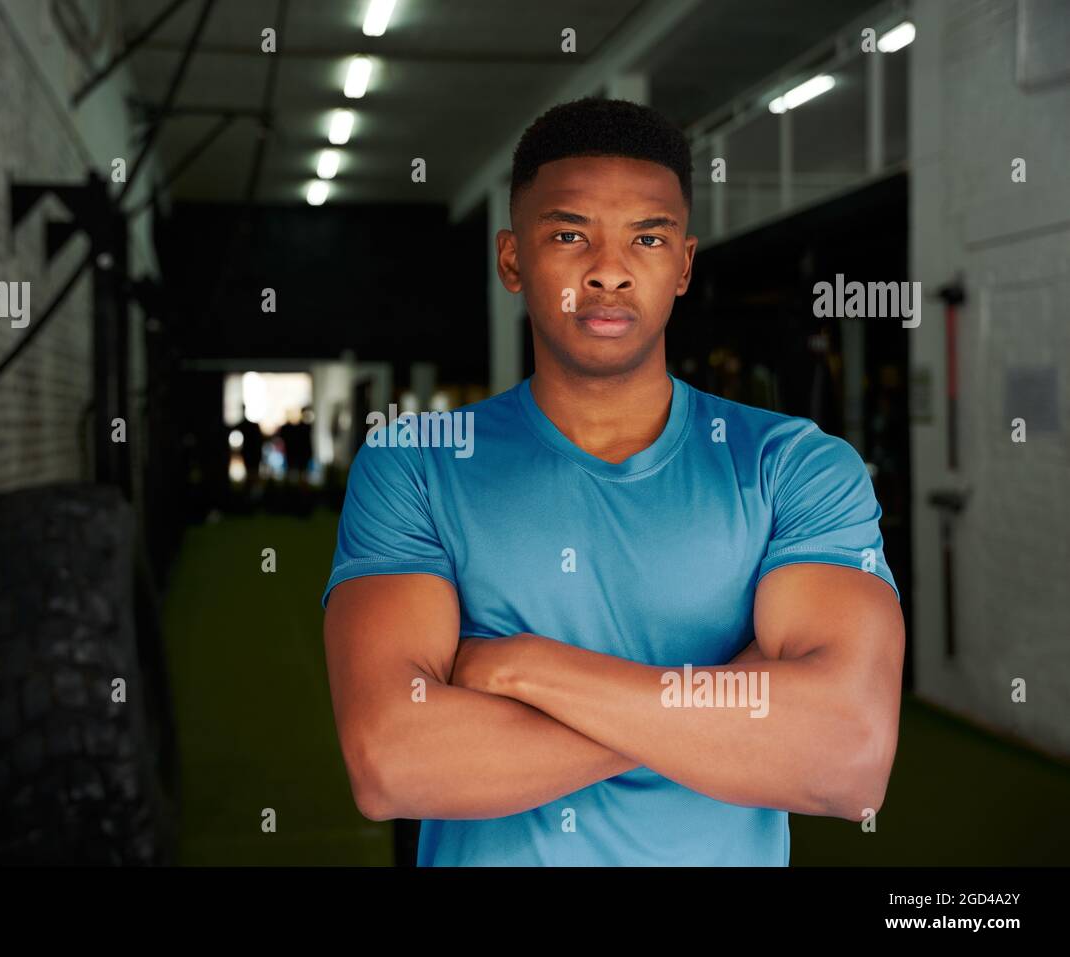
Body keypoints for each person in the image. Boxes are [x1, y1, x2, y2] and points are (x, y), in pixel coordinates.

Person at [321, 98, 904, 866]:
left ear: (684, 265)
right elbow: (392, 762)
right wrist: (730, 707)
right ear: (511, 259)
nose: (608, 270)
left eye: (648, 237)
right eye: (569, 234)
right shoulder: (416, 462)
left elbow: (846, 757)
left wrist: (526, 666)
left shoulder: (792, 466)